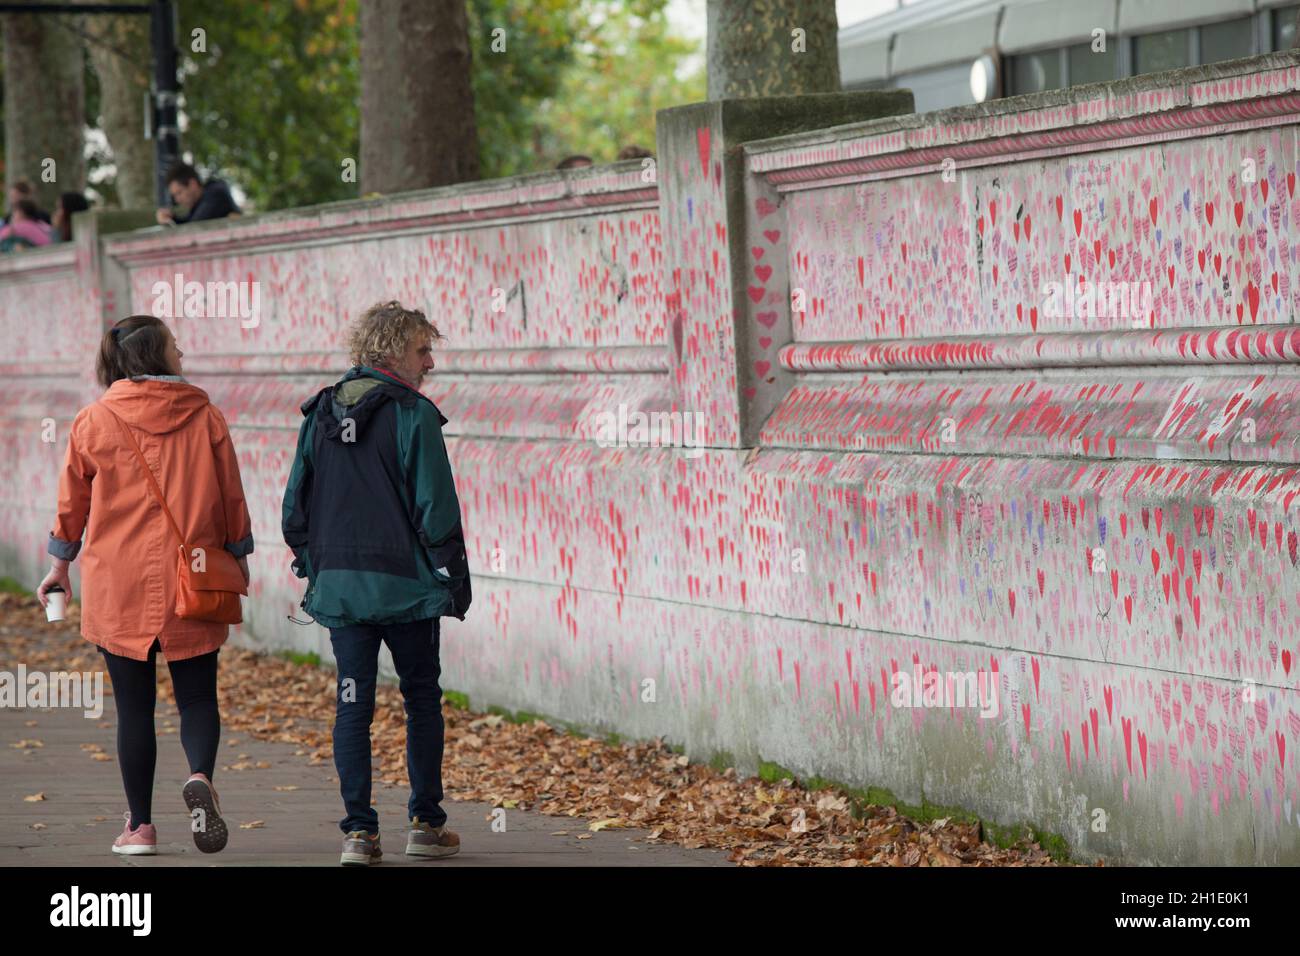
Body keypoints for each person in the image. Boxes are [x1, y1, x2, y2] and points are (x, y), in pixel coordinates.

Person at [36, 314, 255, 857]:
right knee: (199, 696)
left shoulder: (93, 420)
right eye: (176, 347)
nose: (183, 354)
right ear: (159, 356)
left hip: (119, 583)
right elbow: (231, 496)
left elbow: (73, 505)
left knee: (134, 709)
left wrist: (60, 563)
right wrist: (239, 557)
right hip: (196, 576)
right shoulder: (205, 416)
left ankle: (139, 829)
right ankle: (200, 776)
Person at [281, 300, 472, 866]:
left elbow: (295, 506)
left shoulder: (318, 412)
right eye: (422, 349)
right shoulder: (412, 414)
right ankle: (425, 823)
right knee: (421, 699)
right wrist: (454, 575)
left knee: (352, 703)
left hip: (341, 592)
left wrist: (313, 565)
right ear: (391, 351)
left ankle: (359, 834)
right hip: (406, 591)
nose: (430, 361)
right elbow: (436, 507)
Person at [156, 162, 240, 225]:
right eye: (175, 195)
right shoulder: (198, 205)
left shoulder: (216, 193)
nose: (178, 200)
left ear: (193, 184)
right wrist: (171, 219)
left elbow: (194, 225)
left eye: (179, 192)